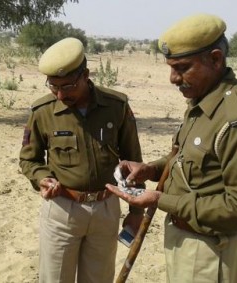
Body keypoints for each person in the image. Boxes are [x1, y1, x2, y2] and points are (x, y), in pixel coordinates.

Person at [106, 14, 237, 282]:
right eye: (171, 67)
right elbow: (186, 160)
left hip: (209, 250)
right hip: (185, 241)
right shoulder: (205, 100)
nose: (173, 78)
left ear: (216, 59)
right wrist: (150, 169)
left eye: (183, 67)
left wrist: (160, 200)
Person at [19, 37, 144, 283]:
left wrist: (136, 210)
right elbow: (28, 159)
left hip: (106, 209)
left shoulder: (116, 106)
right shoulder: (43, 112)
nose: (60, 93)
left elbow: (133, 162)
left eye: (68, 86)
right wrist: (42, 178)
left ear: (86, 74)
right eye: (53, 86)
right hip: (63, 210)